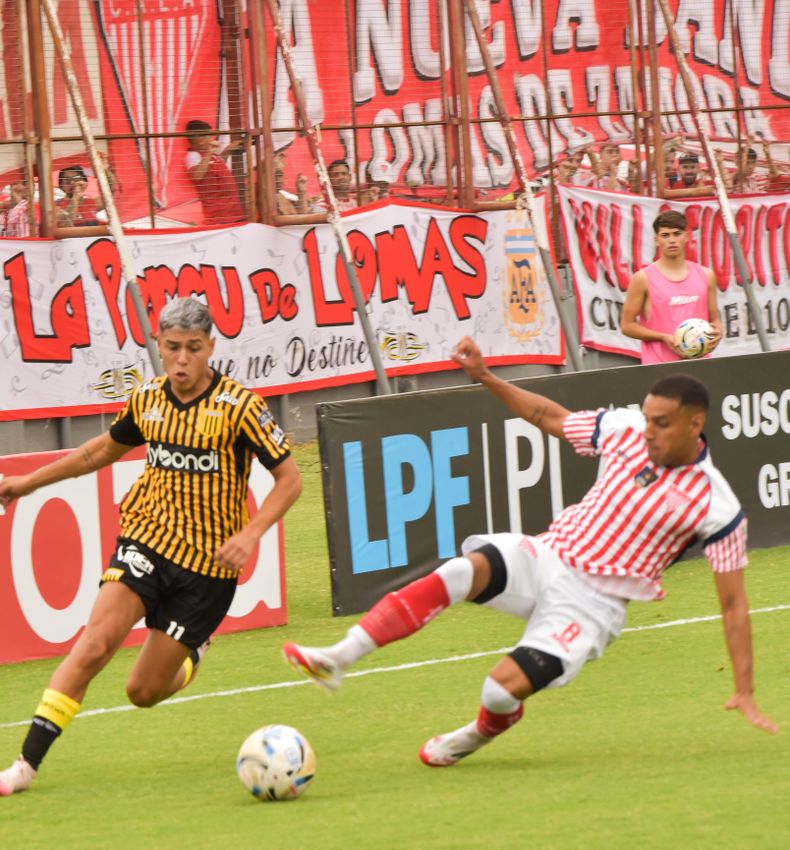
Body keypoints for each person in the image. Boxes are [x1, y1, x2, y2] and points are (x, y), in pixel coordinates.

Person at [283, 337, 776, 766]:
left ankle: (474, 735)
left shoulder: (715, 503)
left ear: (695, 424)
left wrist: (745, 689)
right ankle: (337, 658)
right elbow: (548, 416)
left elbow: (733, 605)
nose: (648, 430)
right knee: (461, 571)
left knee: (498, 692)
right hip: (548, 554)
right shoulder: (626, 428)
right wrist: (484, 376)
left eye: (662, 423)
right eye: (648, 418)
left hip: (593, 605)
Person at [0, 297, 302, 796]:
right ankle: (25, 766)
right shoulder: (147, 399)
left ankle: (193, 652)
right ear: (158, 345)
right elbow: (99, 451)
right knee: (94, 644)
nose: (182, 359)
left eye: (193, 348)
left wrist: (250, 534)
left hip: (206, 572)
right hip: (146, 541)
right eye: (173, 347)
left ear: (211, 347)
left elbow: (290, 480)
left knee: (142, 691)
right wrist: (26, 483)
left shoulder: (241, 408)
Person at [620, 210, 722, 364]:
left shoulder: (706, 275)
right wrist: (662, 337)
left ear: (686, 237)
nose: (672, 240)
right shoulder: (643, 278)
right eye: (665, 235)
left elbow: (714, 319)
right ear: (656, 240)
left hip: (700, 365)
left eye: (676, 234)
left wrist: (718, 331)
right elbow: (627, 326)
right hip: (659, 367)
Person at [184, 120, 246, 225]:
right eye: (209, 136)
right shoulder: (193, 156)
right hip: (219, 214)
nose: (212, 138)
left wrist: (227, 150)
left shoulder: (211, 154)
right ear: (200, 140)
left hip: (232, 208)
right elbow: (197, 175)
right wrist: (209, 152)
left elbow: (217, 167)